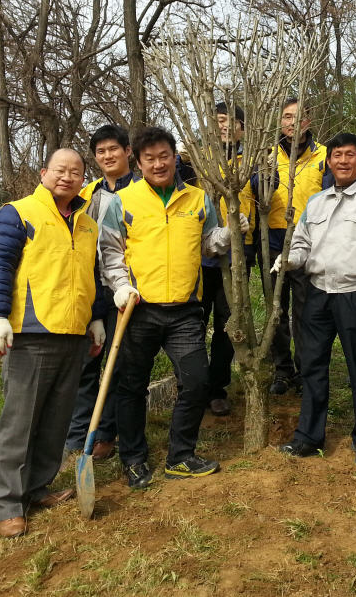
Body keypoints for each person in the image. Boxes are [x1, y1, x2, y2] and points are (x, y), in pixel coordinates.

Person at [99, 126, 235, 489]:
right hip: (138, 308)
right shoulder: (121, 202)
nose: (158, 164)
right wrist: (121, 286)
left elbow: (208, 245)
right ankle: (133, 459)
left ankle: (181, 456)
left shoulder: (197, 199)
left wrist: (227, 234)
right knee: (131, 386)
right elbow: (110, 251)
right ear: (138, 162)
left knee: (196, 382)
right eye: (150, 158)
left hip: (185, 310)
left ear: (175, 157)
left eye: (165, 156)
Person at [0, 148, 105, 538]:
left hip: (73, 334)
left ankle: (38, 489)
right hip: (32, 333)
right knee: (19, 424)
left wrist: (97, 318)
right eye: (60, 170)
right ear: (44, 173)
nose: (67, 177)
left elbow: (92, 274)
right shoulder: (18, 213)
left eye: (75, 172)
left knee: (56, 420)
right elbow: (0, 264)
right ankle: (9, 505)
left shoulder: (87, 224)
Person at [274, 133, 356, 469]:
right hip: (317, 293)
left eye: (350, 155)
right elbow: (301, 244)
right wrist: (289, 260)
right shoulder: (315, 202)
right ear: (329, 162)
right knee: (312, 366)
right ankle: (308, 437)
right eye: (337, 155)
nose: (343, 161)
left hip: (355, 295)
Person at [65, 125, 136, 462]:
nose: (108, 156)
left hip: (125, 287)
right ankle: (78, 436)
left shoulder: (141, 189)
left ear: (127, 151)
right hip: (90, 288)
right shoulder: (88, 193)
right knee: (86, 363)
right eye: (101, 151)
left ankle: (106, 433)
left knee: (116, 363)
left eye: (114, 149)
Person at [269, 98, 332, 395]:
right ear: (280, 121)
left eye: (299, 116)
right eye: (287, 116)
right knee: (276, 310)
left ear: (308, 120)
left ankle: (305, 370)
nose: (293, 122)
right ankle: (282, 370)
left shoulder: (323, 155)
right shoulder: (268, 156)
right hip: (273, 238)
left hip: (310, 241)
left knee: (306, 311)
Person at [202, 102, 258, 417]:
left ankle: (217, 389)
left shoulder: (251, 161)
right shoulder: (198, 159)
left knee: (227, 324)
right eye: (218, 121)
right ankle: (192, 386)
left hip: (237, 253)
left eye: (230, 121)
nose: (224, 126)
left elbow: (269, 187)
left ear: (242, 128)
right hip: (197, 255)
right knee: (193, 325)